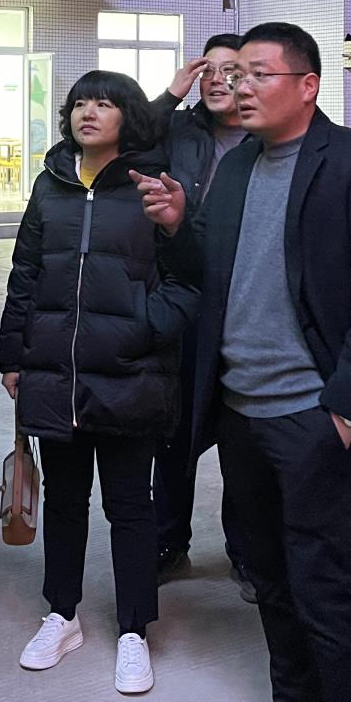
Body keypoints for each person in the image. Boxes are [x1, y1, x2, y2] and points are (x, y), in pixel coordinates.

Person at [136, 22, 351, 702]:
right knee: (269, 582)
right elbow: (209, 273)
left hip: (311, 417)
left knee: (325, 595)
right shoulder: (238, 166)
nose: (239, 88)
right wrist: (176, 226)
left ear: (307, 85)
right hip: (242, 414)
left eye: (256, 74)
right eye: (235, 76)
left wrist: (344, 411)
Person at [0, 70, 196, 696]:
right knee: (64, 500)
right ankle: (62, 615)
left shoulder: (151, 185)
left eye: (104, 103)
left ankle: (133, 629)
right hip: (56, 371)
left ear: (127, 117)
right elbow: (25, 272)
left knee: (131, 505)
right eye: (80, 102)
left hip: (129, 372)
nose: (88, 112)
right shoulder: (51, 183)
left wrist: (147, 326)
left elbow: (188, 276)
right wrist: (12, 354)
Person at [148, 33, 255, 599]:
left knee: (242, 434)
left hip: (245, 302)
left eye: (230, 70)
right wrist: (170, 95)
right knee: (174, 431)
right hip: (184, 296)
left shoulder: (269, 136)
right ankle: (169, 542)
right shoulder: (179, 128)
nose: (216, 80)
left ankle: (246, 551)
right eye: (207, 70)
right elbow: (130, 138)